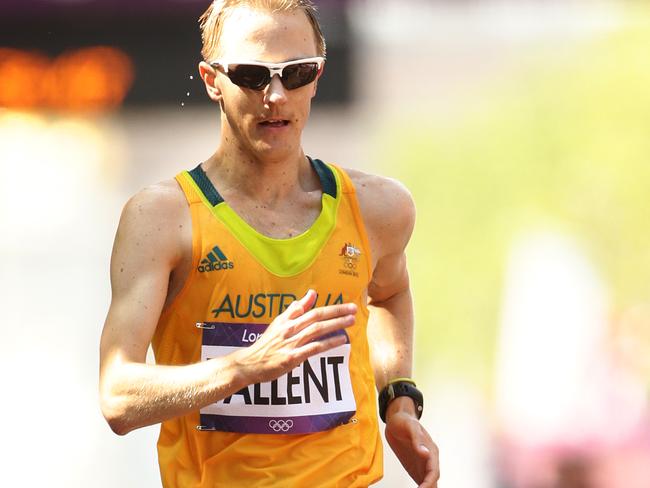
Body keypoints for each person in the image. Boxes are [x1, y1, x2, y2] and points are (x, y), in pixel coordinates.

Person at [99, 0, 439, 486]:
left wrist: (399, 400)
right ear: (212, 79)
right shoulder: (163, 217)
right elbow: (118, 396)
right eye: (252, 75)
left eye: (296, 73)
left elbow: (388, 292)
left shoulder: (378, 209)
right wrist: (245, 366)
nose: (276, 96)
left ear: (318, 76)